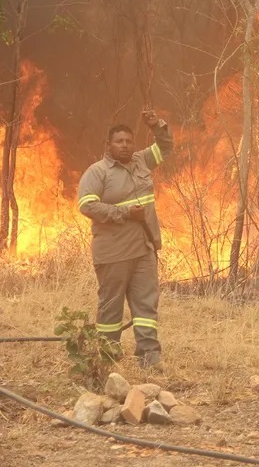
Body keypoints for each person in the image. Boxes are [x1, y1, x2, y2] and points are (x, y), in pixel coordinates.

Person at [77, 108, 173, 370]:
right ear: (108, 145)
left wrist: (157, 125)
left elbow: (165, 147)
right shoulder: (97, 173)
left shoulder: (142, 160)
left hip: (144, 249)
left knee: (146, 305)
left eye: (129, 141)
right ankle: (107, 356)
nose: (125, 145)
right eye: (119, 141)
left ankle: (149, 355)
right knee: (111, 308)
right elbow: (86, 205)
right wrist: (123, 213)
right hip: (113, 252)